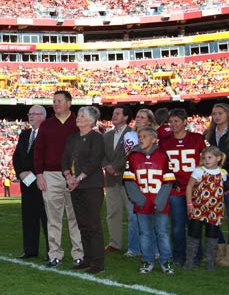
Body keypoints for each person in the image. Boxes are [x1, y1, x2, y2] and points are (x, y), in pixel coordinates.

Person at [33, 90, 84, 267]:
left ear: (69, 103)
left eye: (59, 101)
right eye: (54, 101)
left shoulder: (79, 123)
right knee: (53, 218)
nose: (55, 104)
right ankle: (55, 254)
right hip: (51, 175)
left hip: (74, 175)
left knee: (75, 217)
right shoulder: (46, 125)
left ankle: (79, 254)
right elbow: (38, 150)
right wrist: (39, 174)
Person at [123, 126, 176, 274]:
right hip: (142, 203)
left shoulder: (163, 155)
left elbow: (169, 180)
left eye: (145, 136)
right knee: (145, 233)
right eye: (139, 136)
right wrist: (139, 199)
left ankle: (166, 261)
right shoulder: (132, 156)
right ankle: (147, 260)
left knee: (162, 232)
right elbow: (128, 180)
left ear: (154, 139)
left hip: (160, 202)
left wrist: (160, 201)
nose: (141, 139)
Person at [160, 108, 207, 267]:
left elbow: (208, 158)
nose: (173, 124)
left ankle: (195, 257)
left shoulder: (197, 138)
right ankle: (179, 257)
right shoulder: (165, 141)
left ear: (185, 122)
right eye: (170, 121)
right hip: (176, 189)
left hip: (194, 188)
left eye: (176, 121)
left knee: (194, 225)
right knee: (177, 226)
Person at [62, 106, 106, 274]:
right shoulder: (72, 138)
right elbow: (64, 159)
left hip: (91, 185)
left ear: (91, 120)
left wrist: (78, 178)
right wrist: (68, 177)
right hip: (76, 186)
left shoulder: (96, 138)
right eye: (79, 115)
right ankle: (87, 258)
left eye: (82, 115)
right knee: (82, 224)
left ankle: (98, 262)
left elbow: (94, 161)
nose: (78, 118)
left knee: (93, 224)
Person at [12, 105, 48, 260]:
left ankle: (51, 251)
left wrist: (34, 173)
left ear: (43, 116)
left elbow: (47, 157)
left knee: (46, 218)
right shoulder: (25, 134)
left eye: (34, 114)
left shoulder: (48, 134)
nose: (31, 116)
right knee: (28, 217)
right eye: (29, 114)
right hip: (26, 183)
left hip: (42, 181)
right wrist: (20, 172)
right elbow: (16, 156)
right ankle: (30, 249)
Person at [121, 108, 158, 258]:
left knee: (153, 217)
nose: (138, 119)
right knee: (133, 216)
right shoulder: (130, 135)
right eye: (137, 116)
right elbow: (131, 155)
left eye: (142, 117)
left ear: (149, 121)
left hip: (152, 179)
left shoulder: (156, 136)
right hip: (135, 179)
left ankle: (154, 249)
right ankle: (134, 248)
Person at [204, 103, 229, 266]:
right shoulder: (208, 134)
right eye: (214, 113)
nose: (216, 116)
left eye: (220, 113)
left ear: (228, 114)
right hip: (211, 181)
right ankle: (219, 251)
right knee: (212, 216)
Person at [184, 146, 227, 270]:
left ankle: (210, 263)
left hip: (215, 210)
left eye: (210, 157)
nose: (207, 160)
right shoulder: (199, 171)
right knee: (194, 234)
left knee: (212, 236)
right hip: (198, 209)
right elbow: (189, 187)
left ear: (218, 158)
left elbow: (222, 190)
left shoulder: (223, 173)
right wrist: (189, 204)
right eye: (204, 158)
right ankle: (190, 262)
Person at [103, 105, 133, 253]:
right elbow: (101, 154)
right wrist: (107, 166)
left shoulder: (132, 134)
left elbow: (131, 155)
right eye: (114, 113)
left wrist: (116, 168)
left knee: (132, 214)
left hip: (127, 180)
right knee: (112, 213)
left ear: (126, 117)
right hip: (111, 179)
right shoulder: (107, 135)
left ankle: (135, 245)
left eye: (118, 113)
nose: (114, 116)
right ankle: (114, 243)